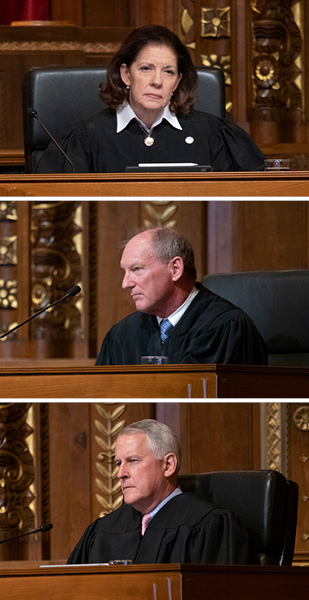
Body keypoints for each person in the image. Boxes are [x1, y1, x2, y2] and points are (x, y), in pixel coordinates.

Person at [35, 25, 265, 173]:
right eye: (146, 68)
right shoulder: (84, 139)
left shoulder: (214, 136)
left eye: (168, 71)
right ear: (126, 74)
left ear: (176, 82)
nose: (157, 81)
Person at [67, 419, 252, 564]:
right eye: (118, 463)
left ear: (168, 465)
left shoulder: (211, 528)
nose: (120, 474)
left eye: (132, 460)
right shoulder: (102, 531)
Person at [95, 227, 268, 365]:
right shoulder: (122, 335)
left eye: (137, 269)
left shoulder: (224, 328)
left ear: (175, 269)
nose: (126, 284)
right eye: (125, 272)